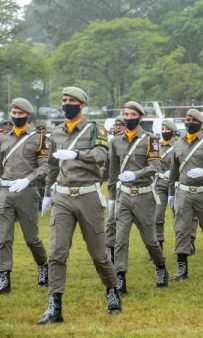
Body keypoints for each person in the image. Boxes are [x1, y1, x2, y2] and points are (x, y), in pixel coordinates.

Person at [38, 87, 121, 324]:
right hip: (62, 196)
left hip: (88, 196)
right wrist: (47, 193)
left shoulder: (96, 129)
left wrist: (76, 154)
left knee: (98, 254)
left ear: (82, 104)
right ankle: (55, 306)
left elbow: (100, 155)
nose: (67, 104)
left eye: (72, 100)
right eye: (64, 100)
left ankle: (112, 290)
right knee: (57, 252)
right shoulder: (56, 132)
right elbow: (53, 166)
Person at [108, 101, 169, 294]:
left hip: (144, 196)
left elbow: (157, 166)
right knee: (120, 239)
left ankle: (161, 268)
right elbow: (112, 171)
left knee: (150, 240)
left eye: (132, 115)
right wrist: (111, 197)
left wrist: (136, 174)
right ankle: (120, 277)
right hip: (124, 196)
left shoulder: (150, 140)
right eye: (125, 114)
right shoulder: (116, 141)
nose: (128, 118)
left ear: (140, 117)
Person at [0, 98, 49, 294]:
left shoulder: (39, 138)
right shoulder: (4, 138)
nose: (16, 116)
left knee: (31, 238)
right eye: (14, 113)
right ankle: (4, 275)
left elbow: (45, 166)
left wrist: (28, 180)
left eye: (20, 114)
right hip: (5, 192)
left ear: (27, 115)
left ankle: (43, 265)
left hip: (27, 192)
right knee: (3, 237)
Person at [169, 109, 203, 280]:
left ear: (199, 123)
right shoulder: (178, 144)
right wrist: (171, 193)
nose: (189, 122)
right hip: (184, 193)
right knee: (181, 230)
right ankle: (182, 268)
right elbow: (173, 172)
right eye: (187, 119)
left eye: (193, 119)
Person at [154, 119, 178, 252]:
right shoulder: (157, 146)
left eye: (166, 130)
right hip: (160, 185)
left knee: (179, 216)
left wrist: (175, 172)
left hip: (175, 185)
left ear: (173, 132)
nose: (164, 132)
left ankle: (185, 244)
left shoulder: (178, 146)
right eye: (162, 129)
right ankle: (159, 247)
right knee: (157, 216)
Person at [104, 116, 125, 262]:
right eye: (116, 125)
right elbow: (106, 168)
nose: (117, 127)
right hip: (114, 188)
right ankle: (110, 251)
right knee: (111, 220)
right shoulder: (111, 144)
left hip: (133, 188)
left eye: (120, 125)